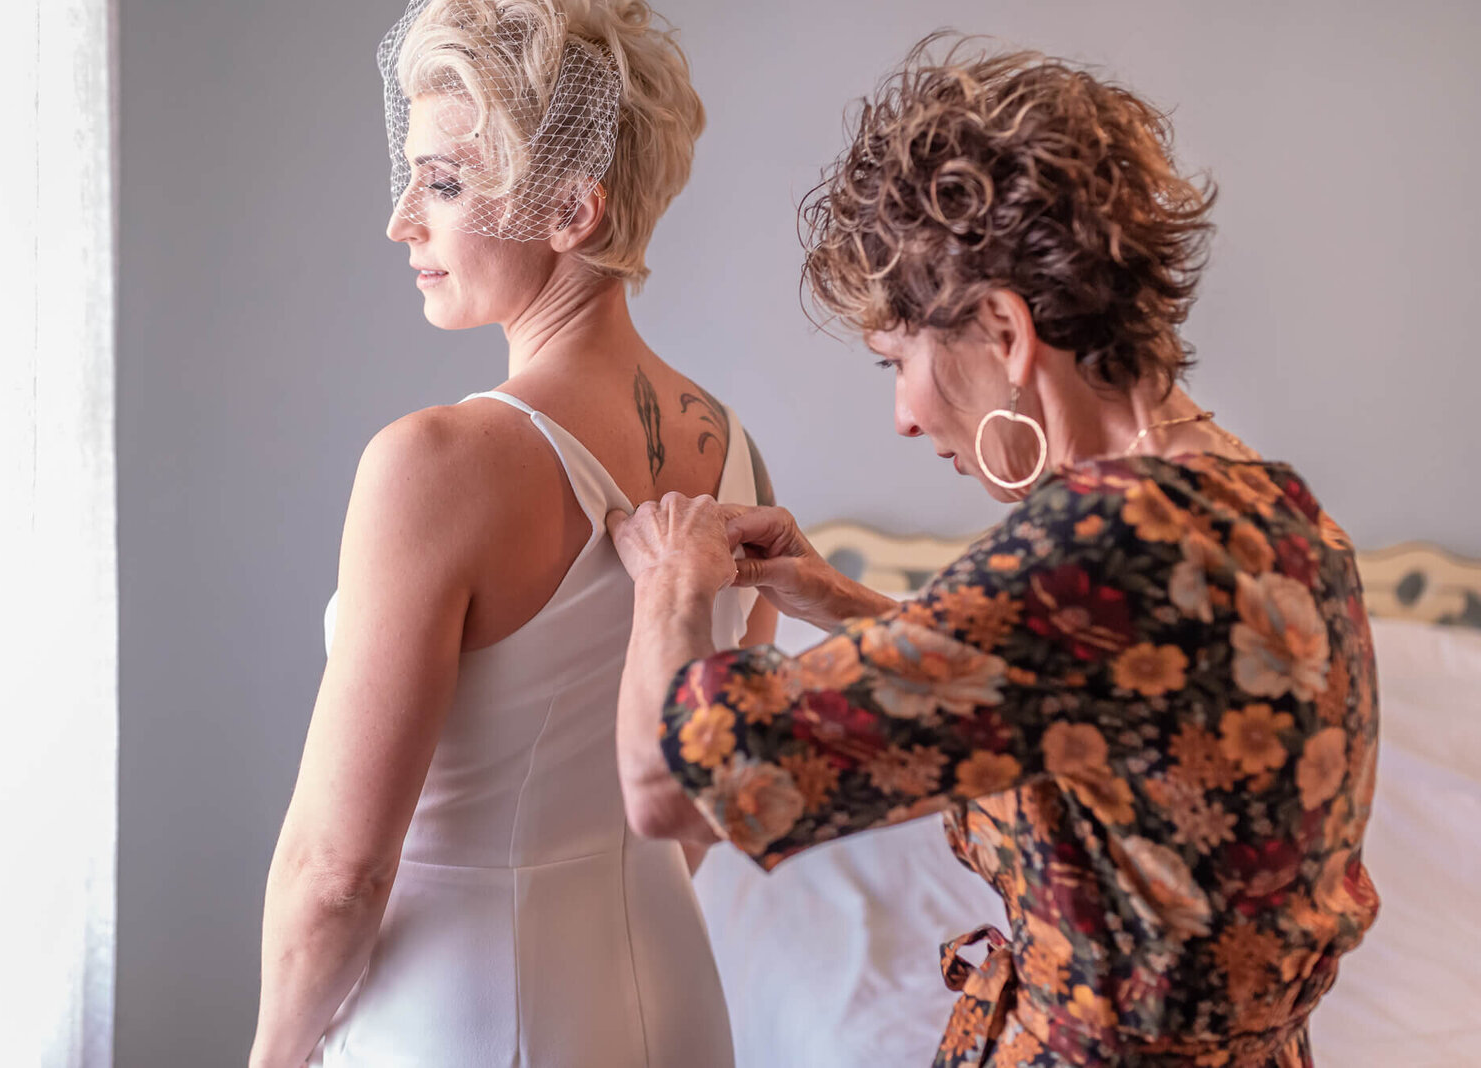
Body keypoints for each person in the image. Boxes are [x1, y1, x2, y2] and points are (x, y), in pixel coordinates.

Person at [607, 35, 1378, 1068]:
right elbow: (1072, 700)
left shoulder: (1101, 544)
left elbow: (673, 785)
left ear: (1006, 333)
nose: (902, 416)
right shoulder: (1271, 513)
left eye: (897, 362)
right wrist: (835, 601)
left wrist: (667, 578)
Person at [248, 1, 774, 1064]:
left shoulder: (432, 464)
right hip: (672, 1001)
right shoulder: (734, 451)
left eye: (442, 182)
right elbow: (712, 795)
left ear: (573, 210)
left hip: (463, 1016)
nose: (402, 218)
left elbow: (336, 873)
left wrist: (272, 1053)